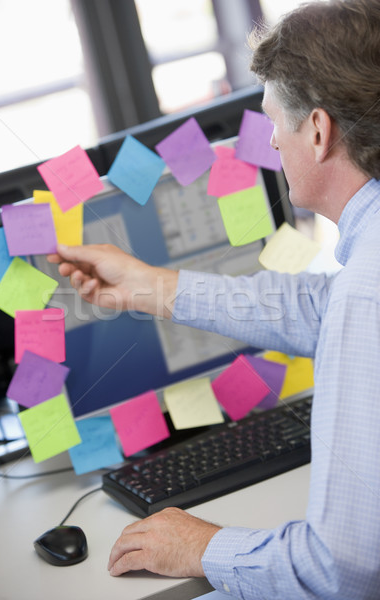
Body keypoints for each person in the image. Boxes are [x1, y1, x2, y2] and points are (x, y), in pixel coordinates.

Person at [47, 1, 380, 597]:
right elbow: (321, 311)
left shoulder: (368, 289)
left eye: (274, 121)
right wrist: (148, 284)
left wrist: (202, 545)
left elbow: (341, 570)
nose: (271, 141)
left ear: (320, 131)